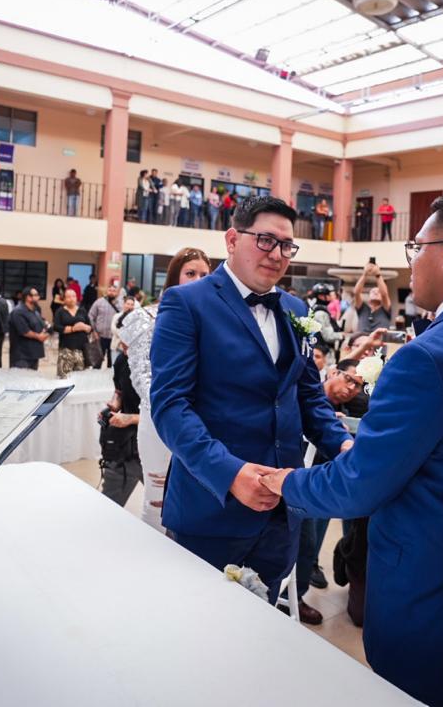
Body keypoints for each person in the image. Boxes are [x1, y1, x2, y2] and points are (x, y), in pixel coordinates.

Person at [259, 192, 443, 707]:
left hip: (433, 598)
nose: (410, 263)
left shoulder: (429, 356)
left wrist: (284, 483)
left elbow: (359, 485)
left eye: (417, 248)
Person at [151, 200, 350, 604]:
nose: (277, 254)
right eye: (265, 240)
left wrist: (343, 444)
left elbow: (307, 395)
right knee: (198, 623)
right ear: (231, 239)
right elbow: (171, 406)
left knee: (262, 623)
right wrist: (230, 474)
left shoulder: (295, 309)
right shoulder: (186, 303)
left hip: (282, 511)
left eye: (286, 246)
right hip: (212, 508)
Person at [122, 247, 213, 532]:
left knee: (195, 499)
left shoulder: (213, 319)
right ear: (174, 277)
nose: (198, 280)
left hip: (203, 421)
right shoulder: (146, 317)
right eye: (190, 273)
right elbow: (142, 377)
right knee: (158, 499)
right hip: (160, 419)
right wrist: (177, 416)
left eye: (204, 275)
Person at [288, 359, 367, 625]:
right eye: (349, 380)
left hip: (321, 479)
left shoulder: (346, 408)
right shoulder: (304, 396)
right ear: (333, 372)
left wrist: (339, 432)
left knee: (310, 541)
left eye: (358, 385)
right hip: (293, 474)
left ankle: (297, 595)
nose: (352, 388)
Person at [99, 321, 143, 507]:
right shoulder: (122, 361)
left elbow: (166, 415)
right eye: (122, 343)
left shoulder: (160, 366)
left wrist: (131, 418)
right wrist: (114, 405)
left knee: (164, 506)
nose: (124, 348)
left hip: (157, 444)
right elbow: (119, 391)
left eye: (129, 344)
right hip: (126, 445)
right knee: (110, 503)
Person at [53, 288, 91, 378]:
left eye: (73, 296)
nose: (71, 299)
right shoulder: (60, 311)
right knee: (64, 378)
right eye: (69, 297)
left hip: (82, 349)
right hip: (66, 349)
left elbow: (90, 327)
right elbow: (56, 327)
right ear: (64, 299)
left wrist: (85, 327)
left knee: (80, 378)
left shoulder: (82, 310)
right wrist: (73, 329)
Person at [8, 287, 47, 370]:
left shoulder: (35, 311)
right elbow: (24, 331)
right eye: (36, 295)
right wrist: (39, 336)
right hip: (22, 356)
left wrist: (45, 332)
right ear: (28, 297)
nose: (38, 297)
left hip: (34, 354)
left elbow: (41, 325)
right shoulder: (18, 311)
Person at [352, 261, 392, 333]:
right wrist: (365, 274)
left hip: (379, 339)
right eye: (373, 291)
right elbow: (356, 292)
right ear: (369, 297)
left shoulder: (385, 309)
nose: (376, 292)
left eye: (378, 292)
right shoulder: (362, 308)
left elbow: (384, 294)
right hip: (362, 339)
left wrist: (377, 274)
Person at [88, 282, 120, 369]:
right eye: (110, 290)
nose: (111, 292)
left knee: (112, 364)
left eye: (114, 291)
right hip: (100, 336)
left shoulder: (121, 304)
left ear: (117, 293)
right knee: (97, 363)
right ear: (107, 291)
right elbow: (90, 316)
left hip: (114, 338)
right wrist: (94, 331)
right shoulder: (99, 302)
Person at [306, 282, 344, 352]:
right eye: (328, 295)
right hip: (323, 351)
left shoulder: (317, 309)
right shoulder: (321, 313)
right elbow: (328, 336)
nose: (330, 297)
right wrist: (342, 335)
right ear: (321, 296)